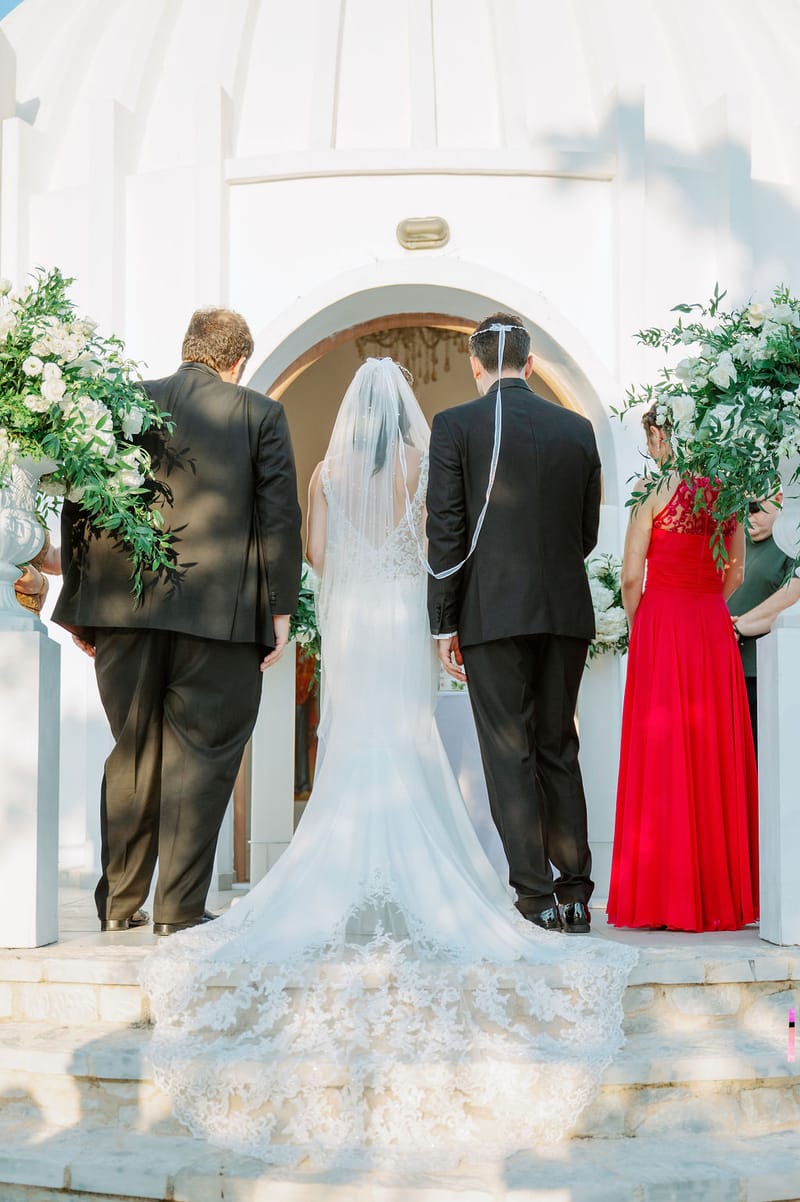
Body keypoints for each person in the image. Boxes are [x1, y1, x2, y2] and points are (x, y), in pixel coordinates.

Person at [140, 358, 635, 1166]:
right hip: (403, 613)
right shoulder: (422, 460)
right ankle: (472, 875)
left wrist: (357, 582)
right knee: (408, 736)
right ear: (402, 409)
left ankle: (342, 863)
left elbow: (321, 558)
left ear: (346, 412)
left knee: (348, 743)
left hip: (353, 618)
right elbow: (439, 538)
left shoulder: (329, 472)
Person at [53, 307, 303, 936]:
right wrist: (279, 611)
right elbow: (279, 518)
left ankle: (117, 905)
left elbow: (79, 500)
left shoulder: (121, 404)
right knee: (203, 757)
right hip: (218, 618)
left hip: (121, 611)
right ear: (238, 360)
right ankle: (178, 908)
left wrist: (80, 602)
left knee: (132, 754)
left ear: (187, 348)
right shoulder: (260, 414)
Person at [426, 314, 601, 933]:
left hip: (491, 614)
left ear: (477, 367)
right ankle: (578, 894)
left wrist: (443, 623)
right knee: (558, 746)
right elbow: (587, 533)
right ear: (530, 364)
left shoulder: (454, 426)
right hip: (563, 612)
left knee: (508, 753)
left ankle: (535, 898)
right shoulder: (576, 428)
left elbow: (446, 531)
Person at [606, 406, 759, 932]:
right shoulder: (727, 492)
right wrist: (704, 604)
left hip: (662, 624)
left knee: (663, 752)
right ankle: (719, 898)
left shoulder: (650, 494)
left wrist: (642, 618)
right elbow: (735, 572)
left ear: (659, 435)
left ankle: (660, 898)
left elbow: (630, 575)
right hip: (708, 626)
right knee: (711, 749)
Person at [727, 493, 798, 751]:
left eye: (755, 507)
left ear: (778, 499)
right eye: (742, 508)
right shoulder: (735, 541)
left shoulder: (789, 541)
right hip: (725, 672)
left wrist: (735, 627)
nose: (748, 515)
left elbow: (791, 598)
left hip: (760, 676)